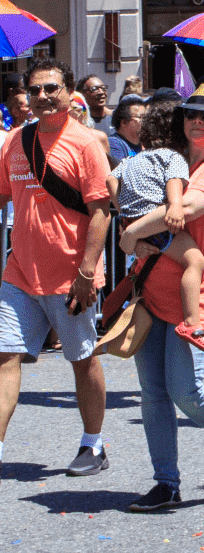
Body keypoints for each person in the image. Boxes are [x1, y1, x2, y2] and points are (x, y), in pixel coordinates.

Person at [118, 84, 204, 512]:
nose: (197, 121)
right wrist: (136, 238)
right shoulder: (171, 158)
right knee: (153, 393)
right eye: (191, 114)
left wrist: (129, 232)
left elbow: (189, 209)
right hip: (152, 287)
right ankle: (166, 483)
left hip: (199, 292)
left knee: (185, 390)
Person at [0, 60, 112, 479]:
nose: (43, 97)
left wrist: (87, 271)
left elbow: (101, 210)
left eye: (51, 88)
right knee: (5, 356)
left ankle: (93, 444)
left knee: (82, 359)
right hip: (19, 274)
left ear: (68, 92)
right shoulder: (15, 140)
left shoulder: (85, 143)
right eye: (35, 90)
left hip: (69, 276)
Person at [106, 123, 204, 353]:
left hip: (130, 218)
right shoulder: (172, 156)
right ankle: (192, 322)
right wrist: (175, 204)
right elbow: (174, 179)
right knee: (194, 260)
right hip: (155, 221)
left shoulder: (129, 160)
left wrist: (123, 210)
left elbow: (110, 181)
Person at [107, 95, 148, 164]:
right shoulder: (114, 144)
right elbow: (119, 171)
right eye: (140, 117)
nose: (146, 120)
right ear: (124, 122)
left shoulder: (145, 143)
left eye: (146, 116)